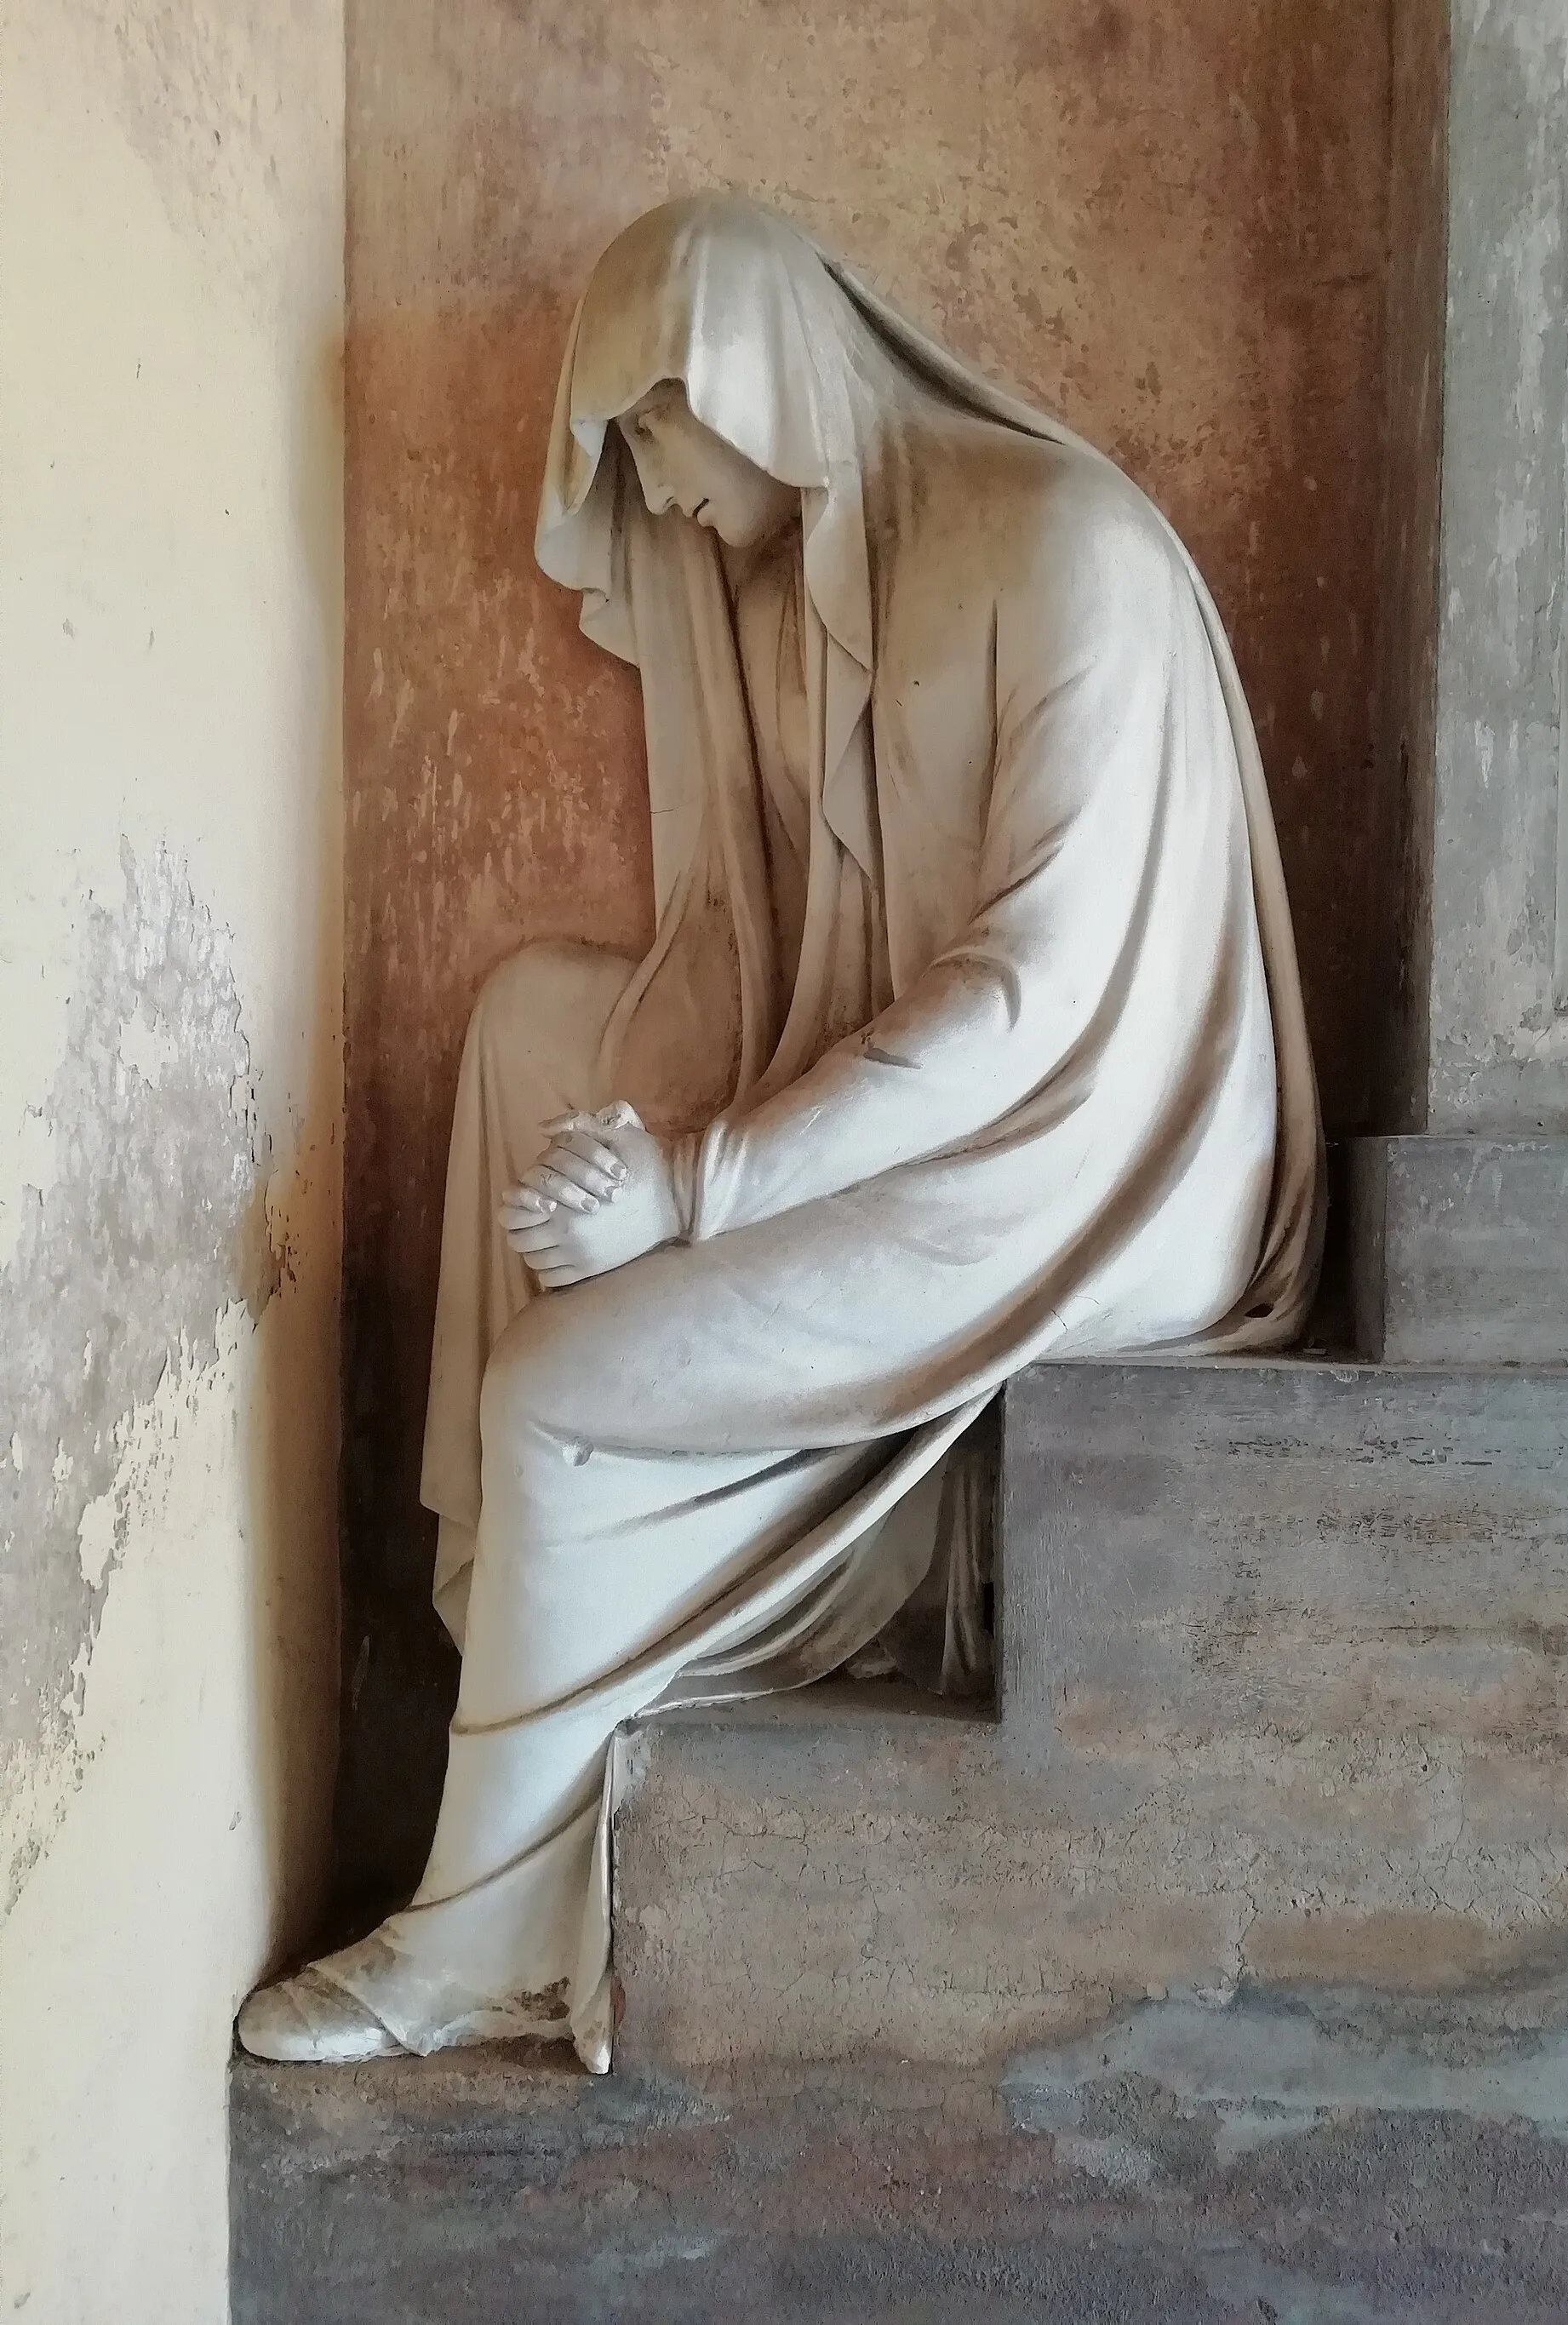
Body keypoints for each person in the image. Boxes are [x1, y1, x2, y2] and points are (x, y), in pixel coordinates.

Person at [238, 193, 1324, 2069]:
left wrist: (694, 1184)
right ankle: (534, 1653)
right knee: (527, 1024)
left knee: (566, 1382)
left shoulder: (1066, 551)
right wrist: (634, 1129)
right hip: (933, 1114)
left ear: (763, 376)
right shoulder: (811, 587)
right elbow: (781, 953)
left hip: (1088, 1170)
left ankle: (481, 1939)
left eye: (659, 425)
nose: (652, 490)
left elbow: (1025, 1005)